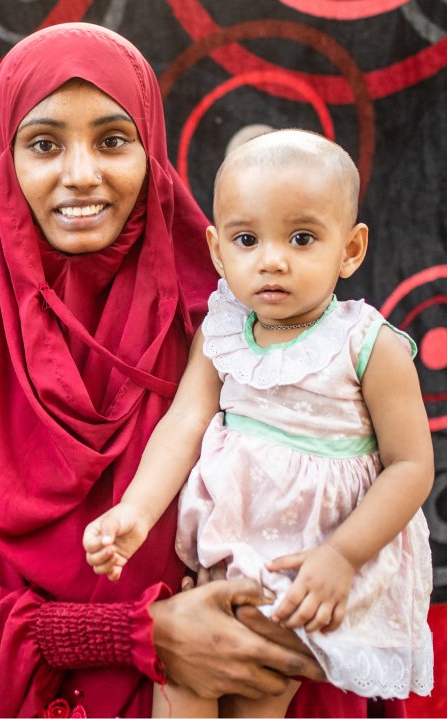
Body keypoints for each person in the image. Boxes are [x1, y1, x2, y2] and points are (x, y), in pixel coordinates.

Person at [0, 22, 342, 719]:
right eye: (43, 144)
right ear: (2, 159)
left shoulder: (233, 322)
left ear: (150, 149)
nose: (80, 174)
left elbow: (335, 488)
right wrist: (134, 634)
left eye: (112, 139)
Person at [84, 129, 435, 718]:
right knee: (182, 677)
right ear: (219, 252)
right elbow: (185, 420)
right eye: (248, 239)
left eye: (301, 238)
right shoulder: (223, 329)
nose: (271, 259)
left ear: (350, 251)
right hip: (230, 549)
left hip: (315, 558)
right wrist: (136, 512)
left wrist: (343, 556)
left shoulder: (367, 345)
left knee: (261, 682)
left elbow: (410, 466)